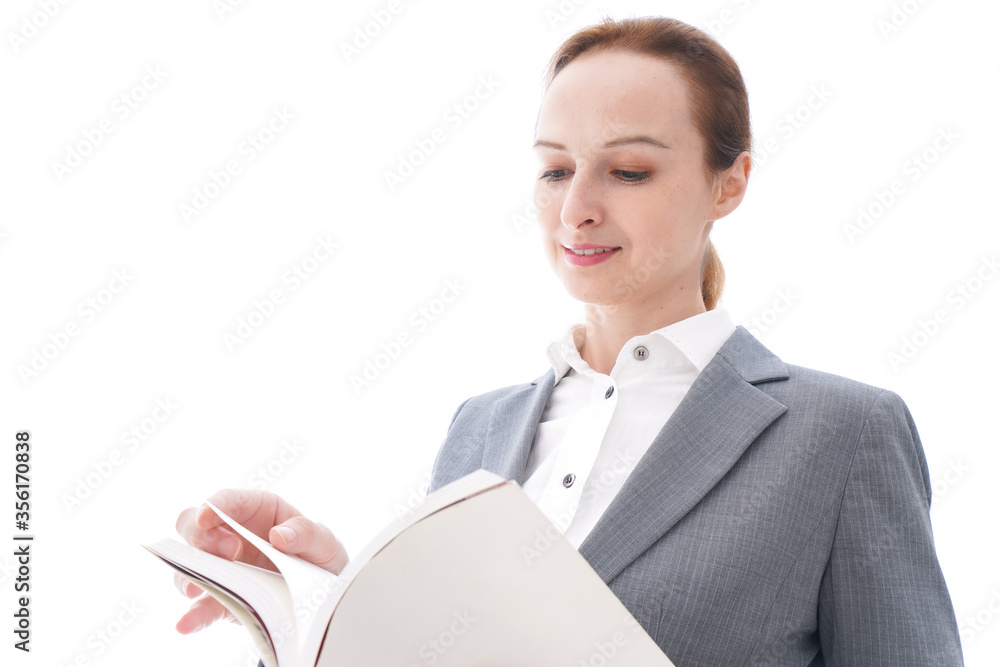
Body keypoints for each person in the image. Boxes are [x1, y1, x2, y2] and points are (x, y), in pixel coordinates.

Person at [174, 16, 964, 665]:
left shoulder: (841, 435)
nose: (576, 207)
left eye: (629, 170)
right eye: (555, 170)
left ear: (729, 184)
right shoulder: (479, 428)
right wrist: (321, 594)